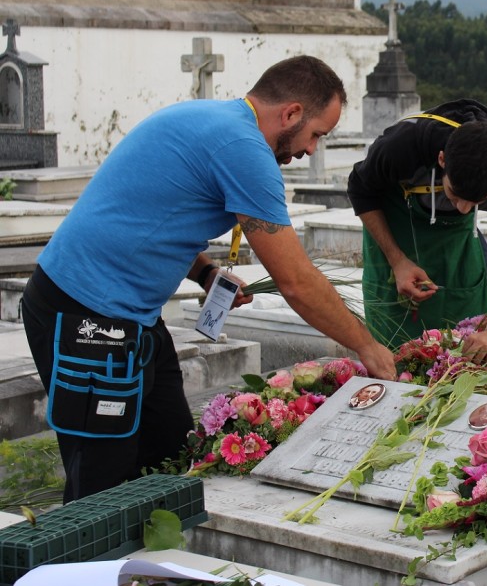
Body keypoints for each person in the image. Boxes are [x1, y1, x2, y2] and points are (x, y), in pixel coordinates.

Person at [21, 55, 396, 502]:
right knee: (101, 489)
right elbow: (296, 281)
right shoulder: (244, 149)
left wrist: (205, 272)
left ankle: (150, 568)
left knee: (170, 458)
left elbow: (151, 218)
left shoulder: (212, 119)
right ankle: (86, 570)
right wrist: (367, 347)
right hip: (85, 312)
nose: (312, 150)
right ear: (291, 113)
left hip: (132, 317)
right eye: (317, 134)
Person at [347, 99, 487, 358]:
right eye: (454, 194)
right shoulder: (404, 144)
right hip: (395, 240)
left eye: (477, 202)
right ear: (442, 159)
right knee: (396, 359)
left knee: (466, 354)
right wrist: (397, 260)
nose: (463, 209)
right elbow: (359, 189)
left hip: (458, 250)